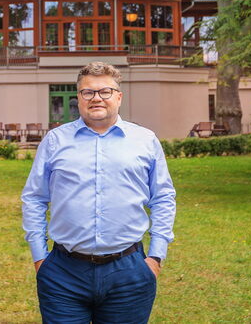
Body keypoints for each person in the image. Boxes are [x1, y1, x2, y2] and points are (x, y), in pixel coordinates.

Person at [21, 61, 176, 324]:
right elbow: (34, 197)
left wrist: (155, 258)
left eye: (105, 91)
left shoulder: (145, 140)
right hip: (63, 272)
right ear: (79, 97)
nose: (96, 98)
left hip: (129, 272)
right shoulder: (56, 141)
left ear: (118, 96)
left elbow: (162, 197)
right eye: (88, 92)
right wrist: (40, 258)